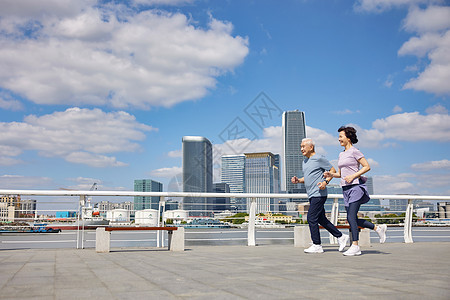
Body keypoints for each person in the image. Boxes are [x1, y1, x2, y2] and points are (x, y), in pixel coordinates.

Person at [324, 126, 387, 256]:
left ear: (348, 137)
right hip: (345, 188)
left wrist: (353, 176)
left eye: (341, 136)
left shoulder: (355, 151)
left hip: (356, 187)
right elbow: (341, 174)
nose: (339, 139)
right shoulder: (341, 154)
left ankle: (355, 246)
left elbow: (367, 166)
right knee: (351, 218)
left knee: (351, 217)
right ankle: (378, 228)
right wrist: (330, 175)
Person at [291, 138, 349, 254]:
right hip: (312, 195)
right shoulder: (305, 161)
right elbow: (307, 178)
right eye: (300, 146)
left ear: (311, 147)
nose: (301, 149)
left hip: (319, 194)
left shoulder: (319, 158)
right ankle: (341, 236)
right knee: (321, 219)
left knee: (311, 218)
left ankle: (317, 245)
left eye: (303, 146)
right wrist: (298, 180)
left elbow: (332, 171)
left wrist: (325, 182)